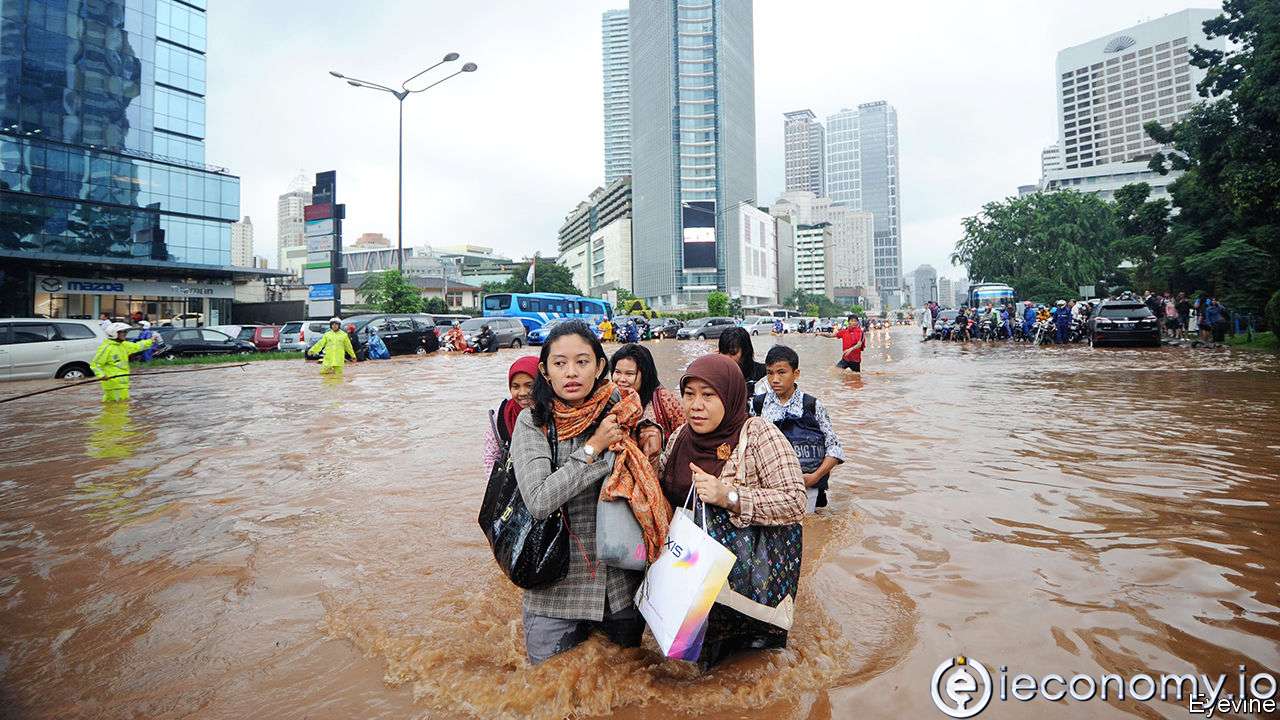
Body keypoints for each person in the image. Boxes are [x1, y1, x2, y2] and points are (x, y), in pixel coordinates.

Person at [509, 320, 657, 665]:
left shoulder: (621, 407)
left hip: (619, 587)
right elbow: (539, 500)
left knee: (625, 689)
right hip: (555, 592)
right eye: (560, 364)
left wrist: (653, 431)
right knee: (552, 694)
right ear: (545, 371)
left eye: (582, 361)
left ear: (600, 366)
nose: (571, 373)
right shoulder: (533, 422)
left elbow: (644, 441)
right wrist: (593, 448)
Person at [655, 353, 806, 666]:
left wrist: (730, 497)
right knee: (691, 680)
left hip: (748, 590)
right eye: (689, 394)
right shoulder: (681, 437)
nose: (696, 405)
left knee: (752, 681)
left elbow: (794, 501)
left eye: (709, 395)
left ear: (731, 395)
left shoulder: (759, 435)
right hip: (691, 585)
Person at [753, 345, 844, 512]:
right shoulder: (757, 405)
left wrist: (815, 477)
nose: (774, 379)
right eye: (769, 373)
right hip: (769, 489)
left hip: (807, 487)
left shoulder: (812, 406)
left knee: (807, 530)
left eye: (781, 372)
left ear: (796, 374)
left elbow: (835, 448)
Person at [611, 343, 685, 463]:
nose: (621, 379)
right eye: (618, 372)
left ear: (645, 375)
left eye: (629, 374)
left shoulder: (664, 398)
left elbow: (685, 436)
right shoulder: (610, 401)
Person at [482, 355, 539, 477]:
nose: (522, 393)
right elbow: (491, 457)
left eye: (530, 385)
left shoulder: (558, 412)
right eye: (516, 386)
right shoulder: (501, 415)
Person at [90, 323, 156, 402]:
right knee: (116, 409)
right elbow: (95, 364)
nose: (125, 334)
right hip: (113, 385)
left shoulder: (123, 345)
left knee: (120, 407)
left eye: (125, 332)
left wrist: (150, 341)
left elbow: (137, 346)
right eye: (123, 332)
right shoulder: (107, 347)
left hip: (123, 384)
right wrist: (101, 375)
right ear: (115, 333)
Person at [718, 327, 766, 395]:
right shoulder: (716, 376)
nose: (727, 358)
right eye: (723, 352)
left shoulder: (764, 373)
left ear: (745, 352)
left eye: (733, 353)